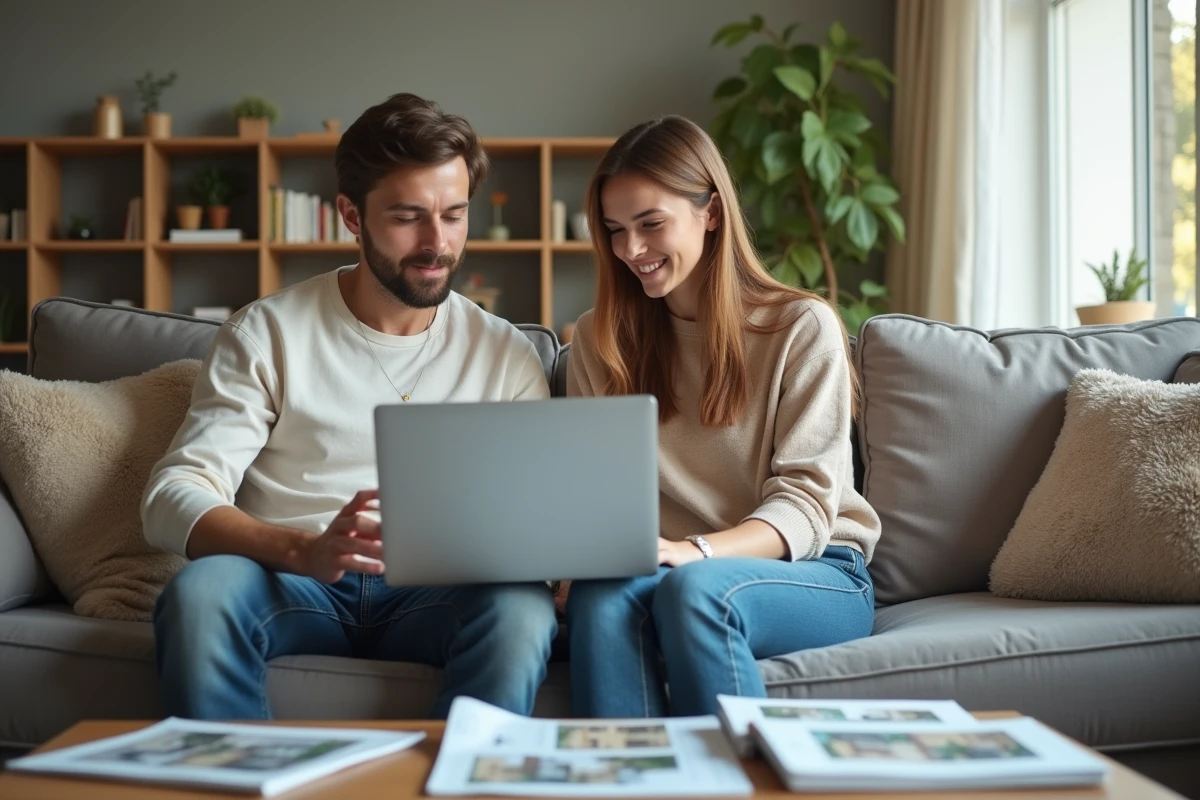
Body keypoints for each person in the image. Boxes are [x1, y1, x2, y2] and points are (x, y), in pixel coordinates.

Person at [142, 93, 558, 721]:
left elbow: (541, 511)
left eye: (453, 215)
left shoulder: (506, 354)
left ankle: (462, 780)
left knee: (521, 609)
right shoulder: (268, 333)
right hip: (294, 580)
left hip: (437, 593)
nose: (436, 243)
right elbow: (173, 493)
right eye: (407, 217)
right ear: (350, 215)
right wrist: (301, 551)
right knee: (200, 595)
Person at [564, 115, 882, 718]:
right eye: (614, 230)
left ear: (710, 211)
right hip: (665, 568)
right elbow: (595, 498)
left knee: (694, 591)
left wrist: (698, 552)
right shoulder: (599, 341)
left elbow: (808, 504)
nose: (631, 250)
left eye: (651, 224)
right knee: (599, 601)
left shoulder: (798, 327)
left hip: (812, 567)